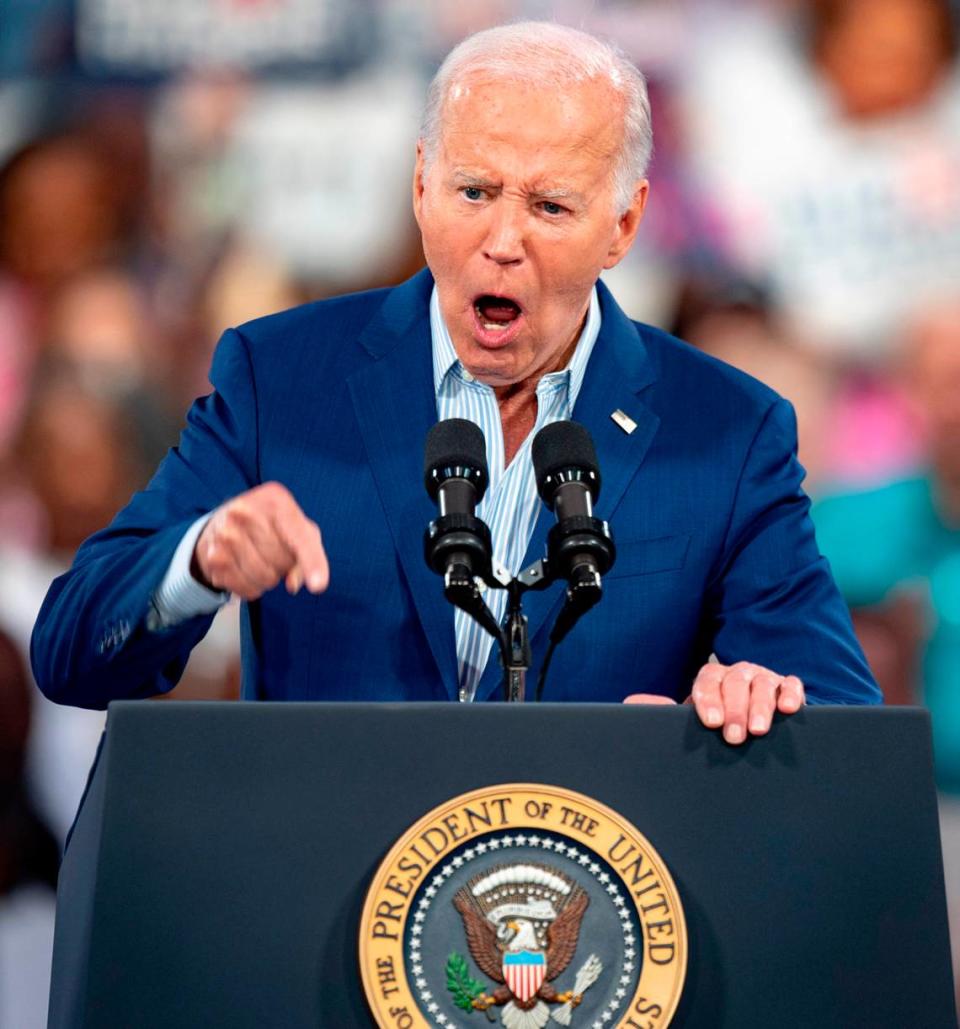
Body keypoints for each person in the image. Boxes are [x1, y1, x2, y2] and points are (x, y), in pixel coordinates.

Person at [31, 22, 879, 746]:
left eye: (550, 207)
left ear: (623, 223)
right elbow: (71, 650)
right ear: (420, 185)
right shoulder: (280, 380)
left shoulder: (728, 432)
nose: (502, 239)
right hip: (328, 901)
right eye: (474, 191)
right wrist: (199, 558)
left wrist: (749, 705)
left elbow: (839, 719)